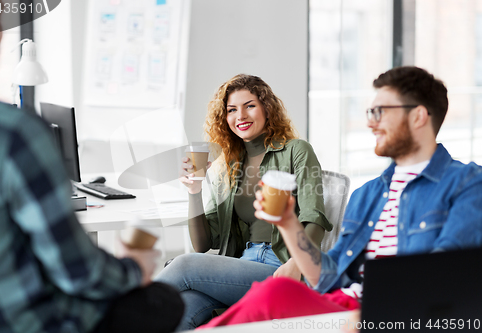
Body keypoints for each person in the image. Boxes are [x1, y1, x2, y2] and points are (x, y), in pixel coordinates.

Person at [198, 66, 482, 328]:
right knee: (274, 290)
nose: (372, 123)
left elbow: (445, 278)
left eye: (381, 111)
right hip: (343, 304)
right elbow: (325, 276)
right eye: (371, 113)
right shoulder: (368, 194)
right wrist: (287, 223)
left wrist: (369, 316)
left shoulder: (466, 183)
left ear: (418, 116)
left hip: (391, 314)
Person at [0, 2, 183, 332]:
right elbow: (78, 272)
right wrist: (134, 268)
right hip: (26, 323)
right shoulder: (12, 134)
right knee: (162, 300)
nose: (1, 26)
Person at [155, 74, 332, 330]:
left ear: (266, 109)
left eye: (250, 105)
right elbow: (203, 244)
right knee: (180, 312)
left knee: (183, 265)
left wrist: (297, 263)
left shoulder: (296, 150)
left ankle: (117, 313)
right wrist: (194, 191)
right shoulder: (230, 165)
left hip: (282, 267)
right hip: (242, 266)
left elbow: (315, 216)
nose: (241, 116)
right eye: (232, 110)